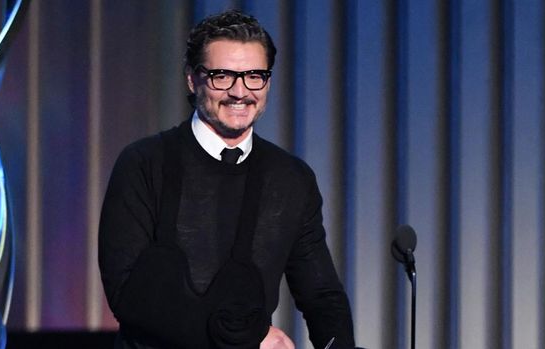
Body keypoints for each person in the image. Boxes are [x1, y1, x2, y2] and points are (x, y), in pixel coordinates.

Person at [99, 10, 356, 349]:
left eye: (254, 76)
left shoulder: (291, 179)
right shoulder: (144, 163)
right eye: (223, 76)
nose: (240, 92)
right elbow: (128, 296)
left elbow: (322, 296)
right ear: (193, 79)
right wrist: (248, 341)